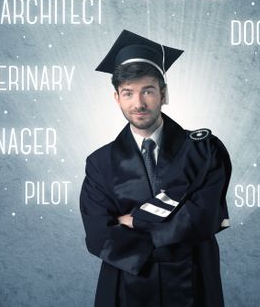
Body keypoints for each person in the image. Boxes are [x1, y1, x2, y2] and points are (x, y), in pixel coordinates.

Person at [80, 29, 232, 307]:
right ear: (117, 98)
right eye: (128, 93)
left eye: (147, 91)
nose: (138, 103)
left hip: (193, 282)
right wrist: (169, 237)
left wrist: (135, 221)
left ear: (163, 93)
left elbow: (201, 219)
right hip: (125, 289)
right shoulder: (100, 163)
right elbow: (98, 236)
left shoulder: (202, 150)